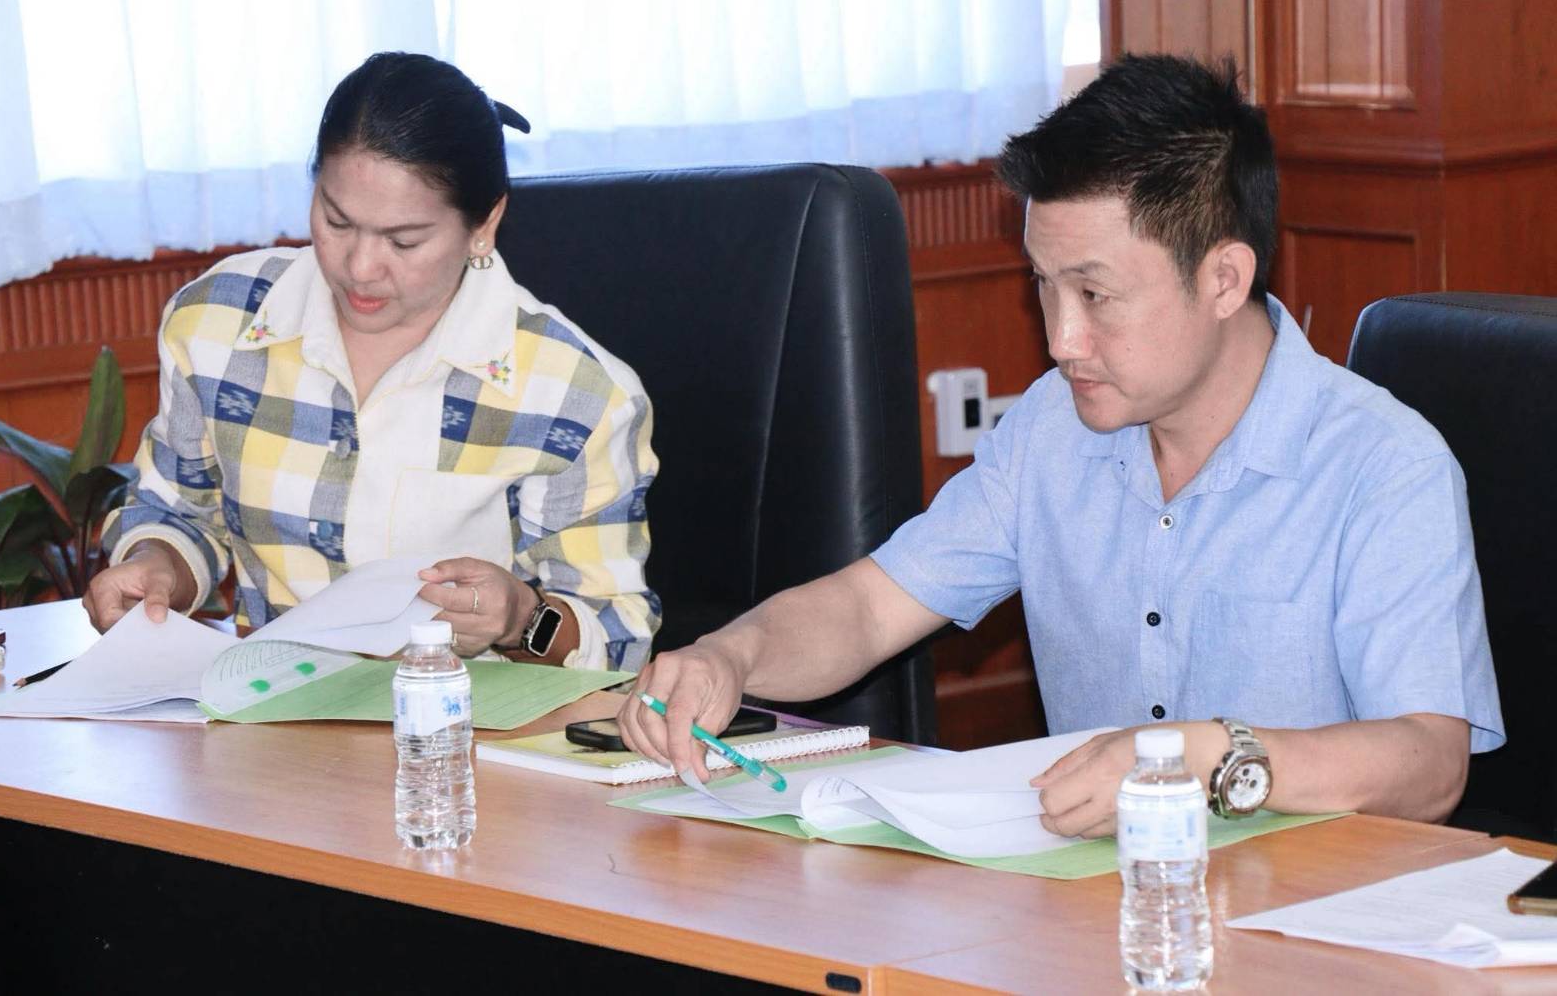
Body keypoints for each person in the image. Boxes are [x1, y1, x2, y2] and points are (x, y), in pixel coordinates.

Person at [619, 54, 1504, 833]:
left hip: (1313, 914)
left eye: (1094, 294)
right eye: (1042, 284)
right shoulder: (1051, 427)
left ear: (1223, 278)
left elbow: (1429, 764)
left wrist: (1208, 755)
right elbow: (868, 609)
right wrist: (728, 656)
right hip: (1092, 905)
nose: (1060, 338)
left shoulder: (1383, 465)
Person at [86, 52, 659, 671]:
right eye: (337, 221)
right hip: (266, 713)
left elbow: (619, 638)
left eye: (403, 241)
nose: (360, 268)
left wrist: (522, 618)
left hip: (459, 723)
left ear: (485, 222)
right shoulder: (217, 323)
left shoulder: (574, 393)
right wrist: (157, 566)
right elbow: (178, 510)